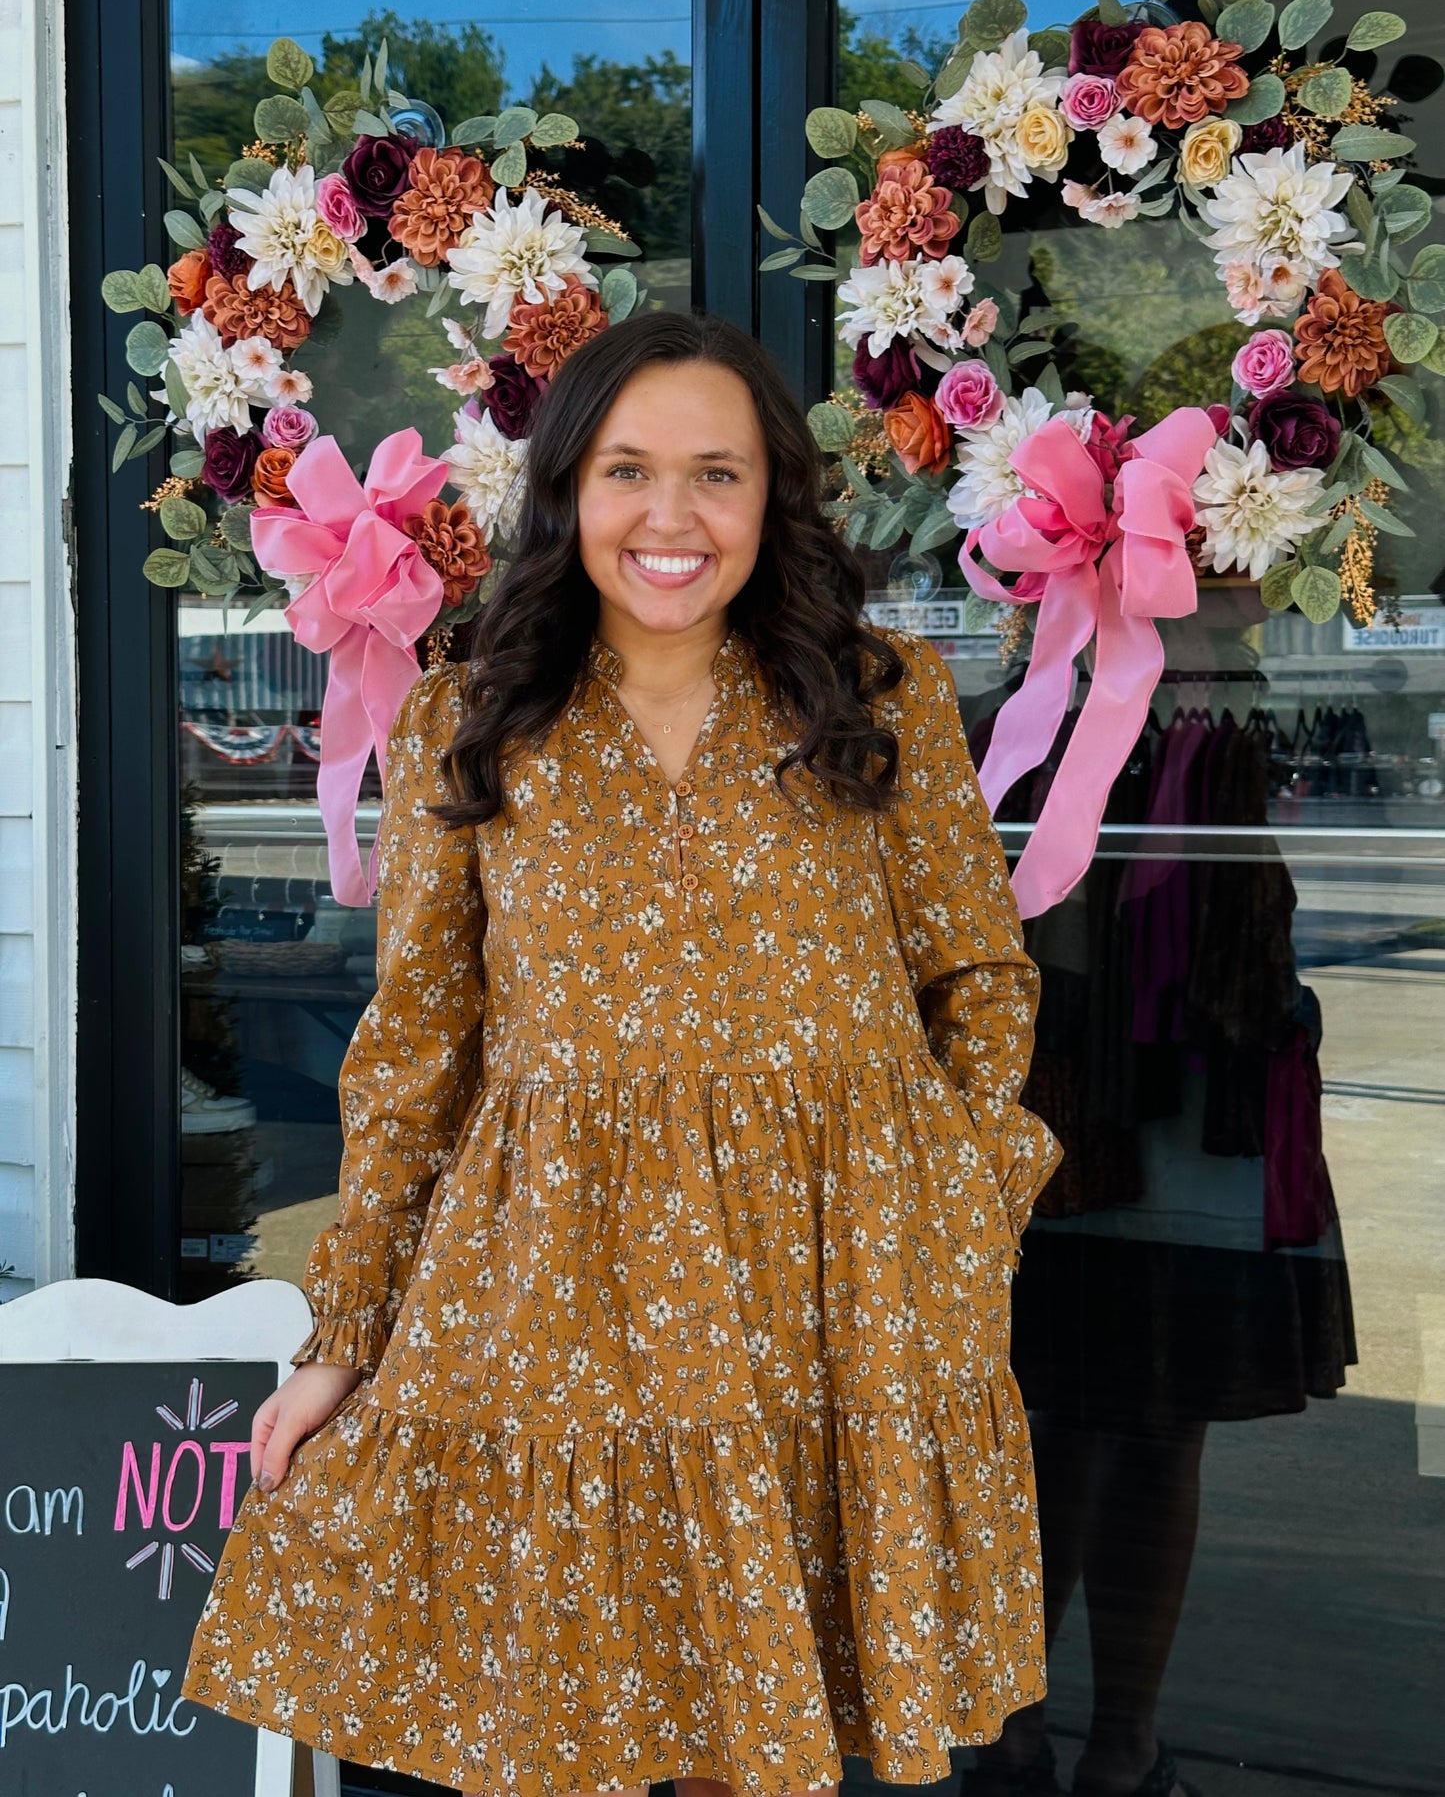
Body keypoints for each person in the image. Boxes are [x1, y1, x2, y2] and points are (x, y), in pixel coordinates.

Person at [180, 310, 1062, 1797]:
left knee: (759, 1729)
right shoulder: (473, 719)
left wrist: (968, 1198)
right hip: (558, 1273)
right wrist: (346, 1338)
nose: (670, 517)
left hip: (834, 1267)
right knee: (565, 1712)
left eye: (715, 474)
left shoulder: (880, 698)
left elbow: (977, 974)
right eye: (626, 471)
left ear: (771, 493)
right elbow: (415, 1055)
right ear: (568, 493)